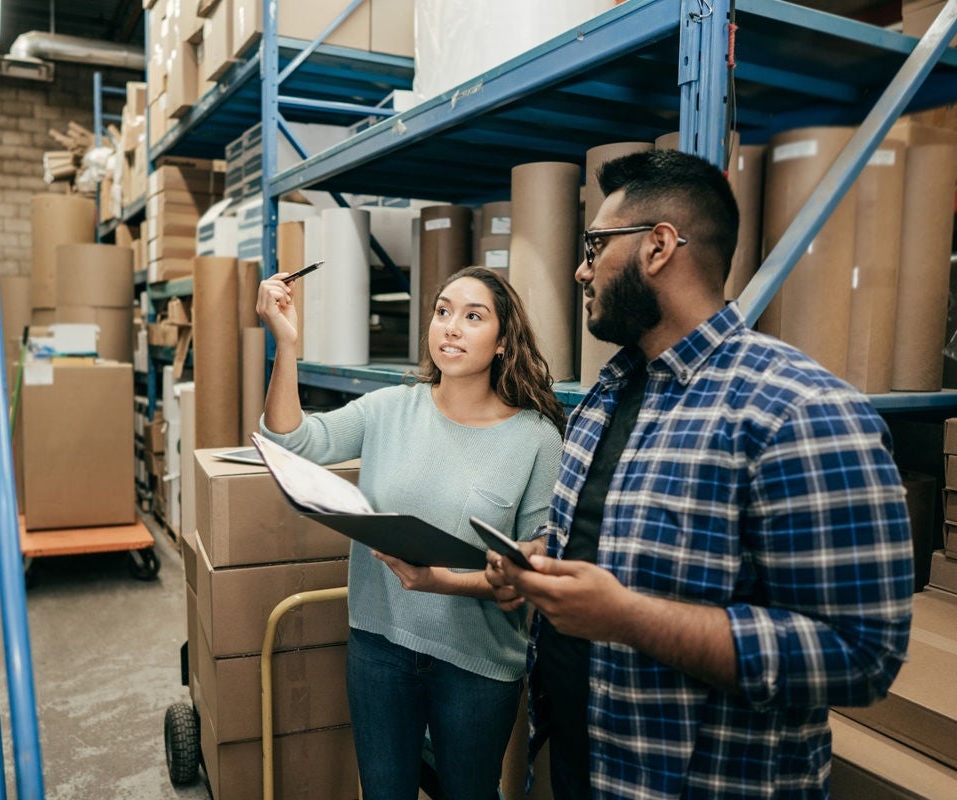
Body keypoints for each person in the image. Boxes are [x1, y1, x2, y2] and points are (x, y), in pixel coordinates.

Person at [486, 149, 914, 800]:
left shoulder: (798, 411)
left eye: (597, 244)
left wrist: (626, 617)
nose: (581, 268)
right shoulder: (607, 394)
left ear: (658, 247)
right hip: (585, 768)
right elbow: (622, 548)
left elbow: (862, 657)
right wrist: (544, 566)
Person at [256, 265, 566, 800]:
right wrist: (285, 344)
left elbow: (529, 575)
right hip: (380, 646)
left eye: (473, 316)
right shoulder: (389, 408)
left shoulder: (536, 439)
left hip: (477, 662)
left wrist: (440, 581)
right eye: (443, 311)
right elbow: (291, 440)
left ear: (501, 343)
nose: (451, 326)